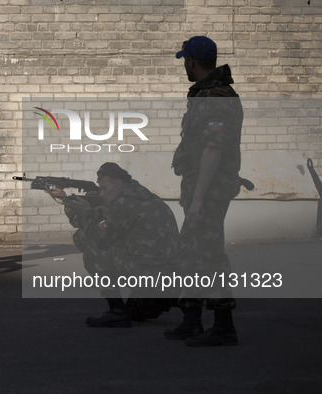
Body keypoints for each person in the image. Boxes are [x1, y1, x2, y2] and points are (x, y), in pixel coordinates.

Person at [166, 36, 244, 346]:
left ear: (191, 61)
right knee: (192, 253)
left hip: (207, 193)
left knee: (210, 256)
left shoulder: (215, 96)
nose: (184, 64)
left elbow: (213, 149)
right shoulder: (207, 94)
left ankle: (224, 326)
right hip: (202, 190)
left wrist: (198, 200)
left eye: (185, 59)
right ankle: (192, 320)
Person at [49, 163, 179, 327]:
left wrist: (86, 210)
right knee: (136, 312)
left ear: (118, 184)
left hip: (152, 275)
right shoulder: (142, 196)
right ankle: (169, 296)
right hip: (167, 273)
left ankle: (116, 311)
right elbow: (106, 224)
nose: (101, 193)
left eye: (104, 189)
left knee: (93, 251)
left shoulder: (123, 205)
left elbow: (100, 235)